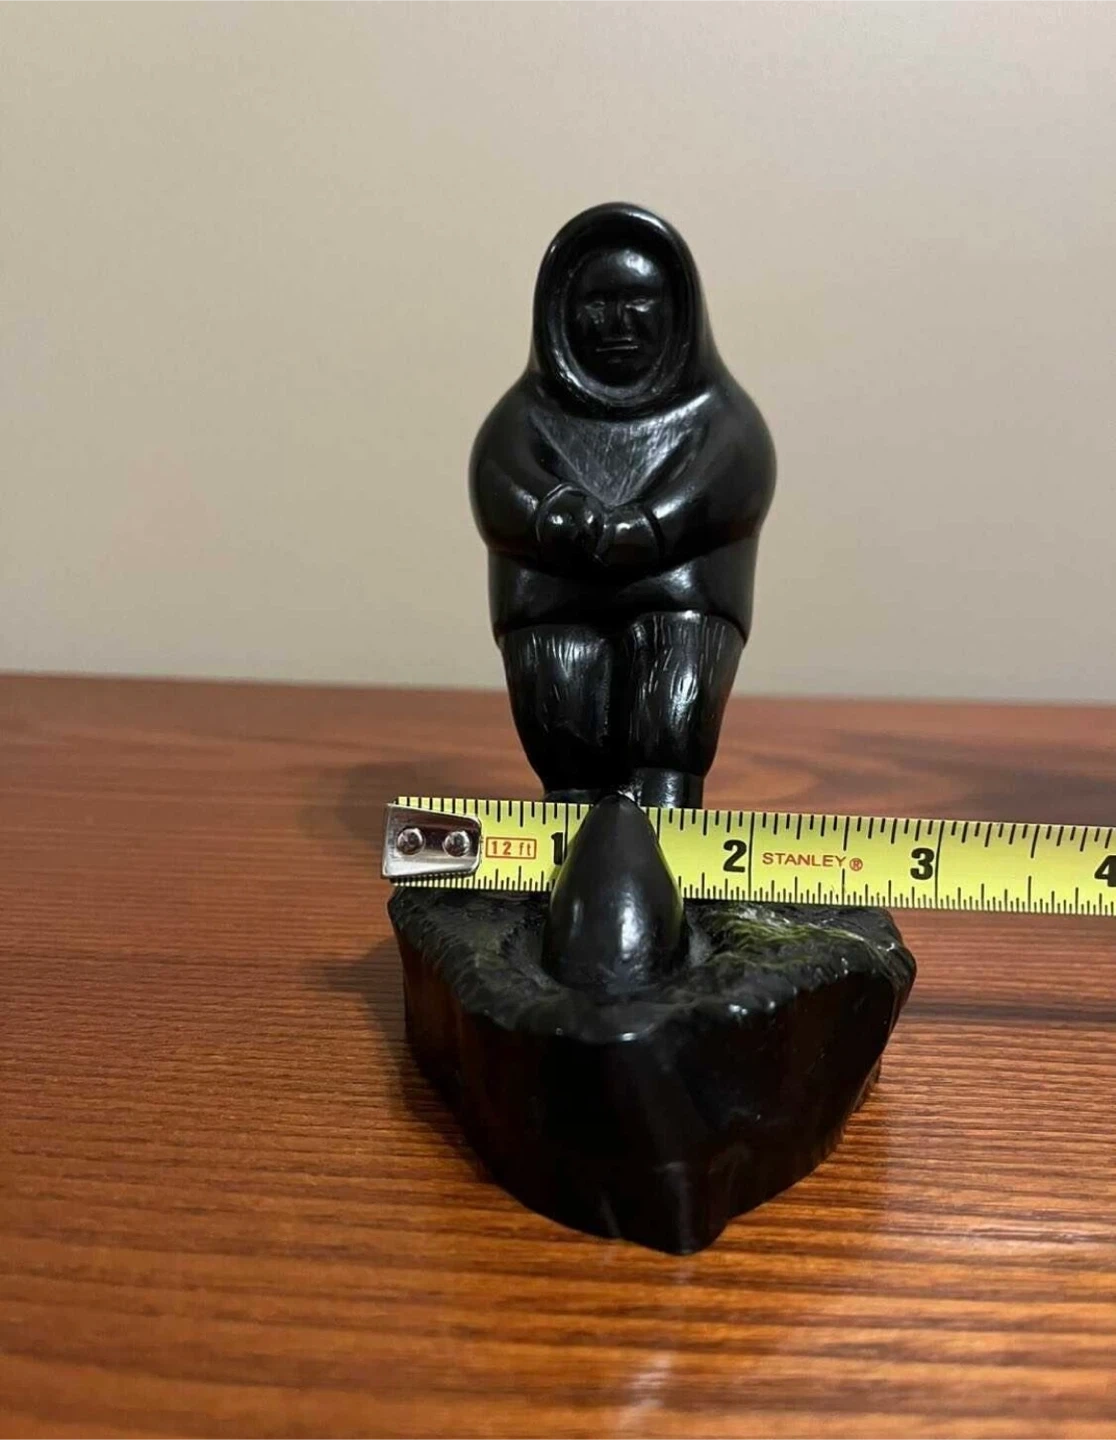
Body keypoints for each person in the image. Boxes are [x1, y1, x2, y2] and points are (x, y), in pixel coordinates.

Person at [470, 203, 776, 807]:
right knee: (563, 718)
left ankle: (663, 824)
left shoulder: (718, 416)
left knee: (668, 719)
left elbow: (729, 483)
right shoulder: (527, 415)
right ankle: (571, 824)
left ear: (678, 315)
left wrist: (652, 526)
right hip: (553, 608)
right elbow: (499, 480)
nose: (617, 324)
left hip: (681, 609)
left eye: (637, 302)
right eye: (596, 304)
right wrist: (551, 512)